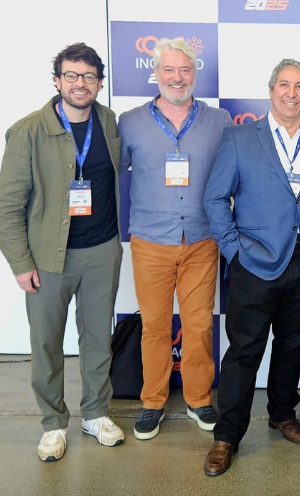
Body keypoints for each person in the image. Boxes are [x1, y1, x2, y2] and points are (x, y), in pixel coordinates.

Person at [202, 59, 300, 477]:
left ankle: (282, 414)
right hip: (254, 263)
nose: (291, 93)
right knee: (244, 351)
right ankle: (227, 435)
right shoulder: (239, 137)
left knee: (292, 345)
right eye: (284, 85)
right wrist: (234, 251)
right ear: (271, 89)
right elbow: (215, 198)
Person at [0, 43, 124, 461]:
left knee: (98, 339)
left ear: (99, 83)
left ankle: (95, 414)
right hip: (48, 258)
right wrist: (20, 263)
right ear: (57, 81)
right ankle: (53, 424)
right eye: (71, 75)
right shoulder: (28, 131)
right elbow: (7, 206)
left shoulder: (108, 121)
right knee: (46, 343)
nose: (79, 83)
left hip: (102, 250)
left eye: (88, 76)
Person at [118, 38, 233, 441]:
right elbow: (108, 171)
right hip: (150, 240)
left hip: (202, 238)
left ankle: (199, 399)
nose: (177, 78)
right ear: (156, 73)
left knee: (199, 325)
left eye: (185, 70)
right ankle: (153, 402)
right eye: (169, 69)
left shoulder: (220, 121)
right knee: (154, 327)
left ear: (194, 73)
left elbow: (238, 169)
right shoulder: (129, 122)